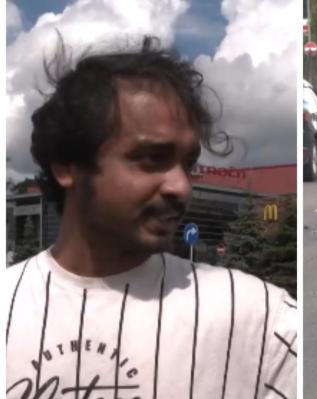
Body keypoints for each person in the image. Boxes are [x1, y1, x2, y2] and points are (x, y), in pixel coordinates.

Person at [6, 36, 297, 399]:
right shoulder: (10, 307)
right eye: (150, 159)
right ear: (69, 166)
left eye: (187, 164)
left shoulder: (261, 321)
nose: (181, 186)